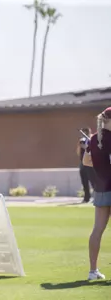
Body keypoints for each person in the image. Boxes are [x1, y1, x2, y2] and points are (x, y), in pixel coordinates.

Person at [87, 107, 111, 280]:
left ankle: (93, 271)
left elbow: (86, 161)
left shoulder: (94, 138)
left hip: (101, 188)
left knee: (97, 230)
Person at [77, 127, 96, 203]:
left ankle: (96, 196)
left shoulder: (92, 138)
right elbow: (78, 151)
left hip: (90, 163)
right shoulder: (81, 140)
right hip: (83, 163)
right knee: (84, 181)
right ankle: (86, 198)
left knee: (93, 180)